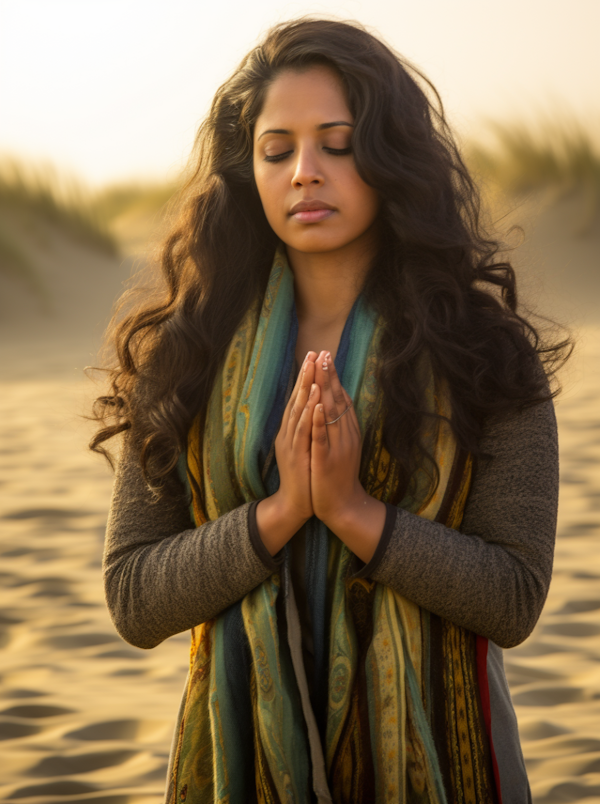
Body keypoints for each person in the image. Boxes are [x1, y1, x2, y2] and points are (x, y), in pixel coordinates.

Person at [91, 17, 570, 804]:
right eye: (278, 150)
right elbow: (134, 598)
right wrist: (277, 514)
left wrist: (353, 512)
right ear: (250, 171)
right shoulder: (188, 357)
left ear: (389, 157)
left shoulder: (485, 355)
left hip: (446, 769)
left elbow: (513, 596)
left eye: (338, 144)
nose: (305, 172)